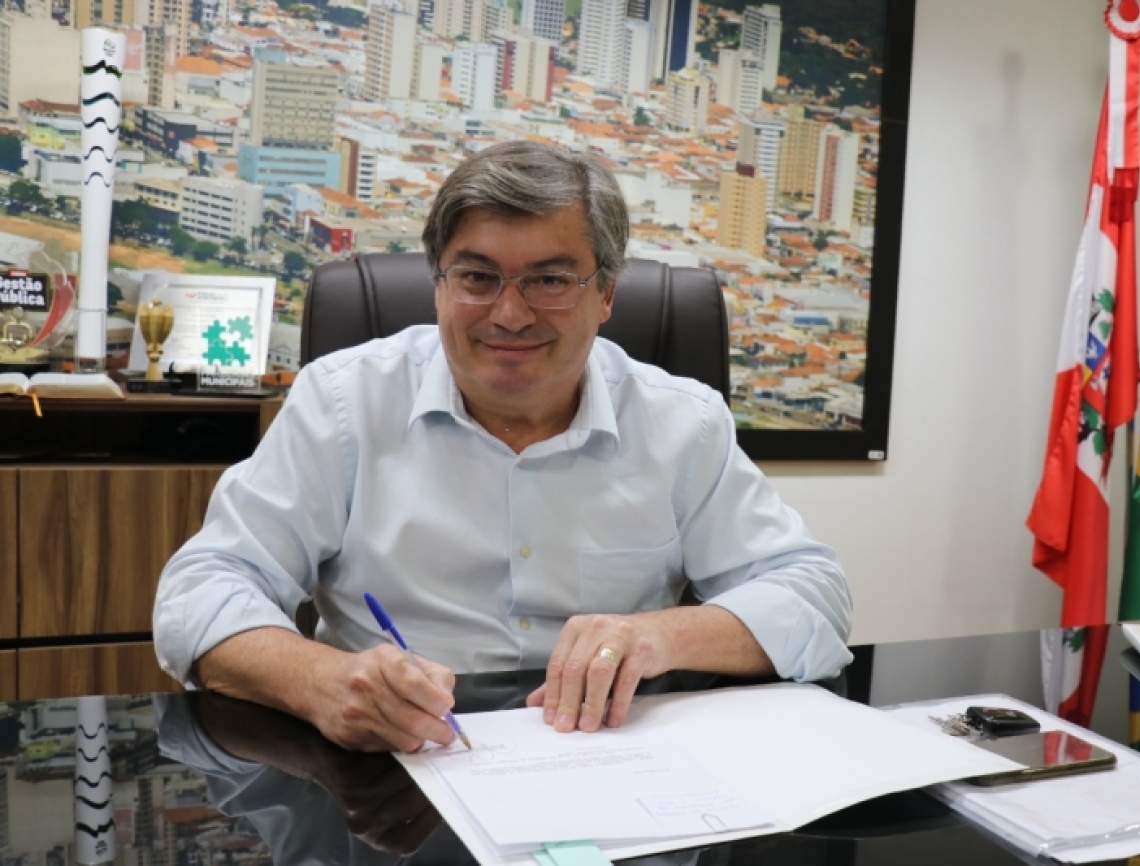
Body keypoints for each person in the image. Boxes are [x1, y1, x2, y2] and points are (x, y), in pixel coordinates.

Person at [154, 140, 852, 754]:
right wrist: (322, 681)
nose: (510, 315)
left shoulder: (682, 422)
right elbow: (201, 591)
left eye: (550, 280)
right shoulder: (343, 401)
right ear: (438, 286)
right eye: (477, 278)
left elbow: (813, 598)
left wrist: (660, 636)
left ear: (606, 293)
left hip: (619, 762)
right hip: (393, 772)